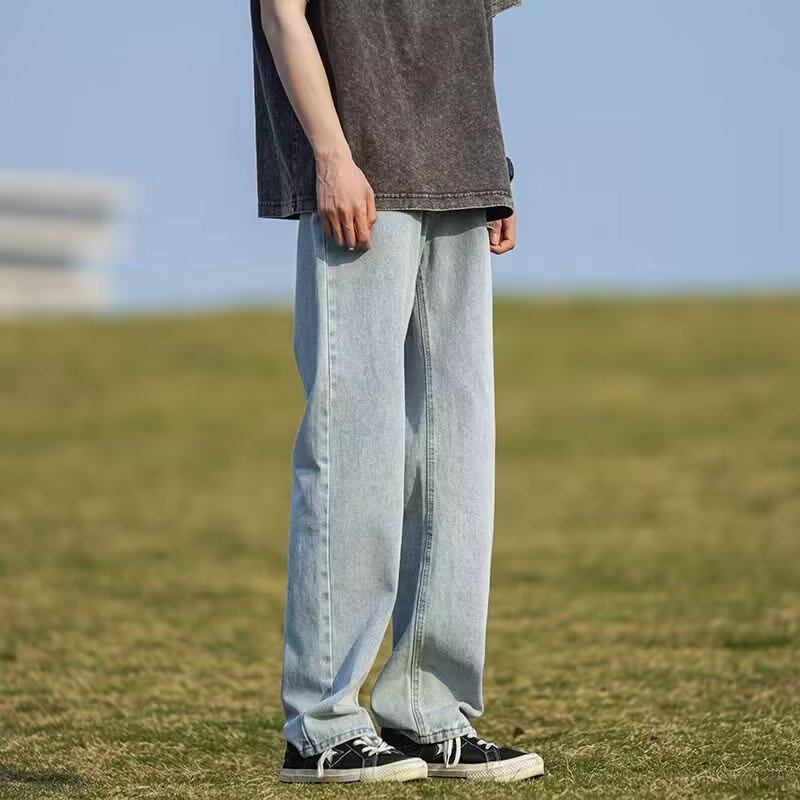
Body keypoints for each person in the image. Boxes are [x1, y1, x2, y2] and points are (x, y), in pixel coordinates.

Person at [250, 0, 545, 784]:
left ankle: (429, 708)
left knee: (459, 453)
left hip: (463, 170)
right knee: (353, 442)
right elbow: (282, 13)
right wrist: (330, 156)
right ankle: (322, 726)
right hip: (360, 171)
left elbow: (466, 25)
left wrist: (495, 166)